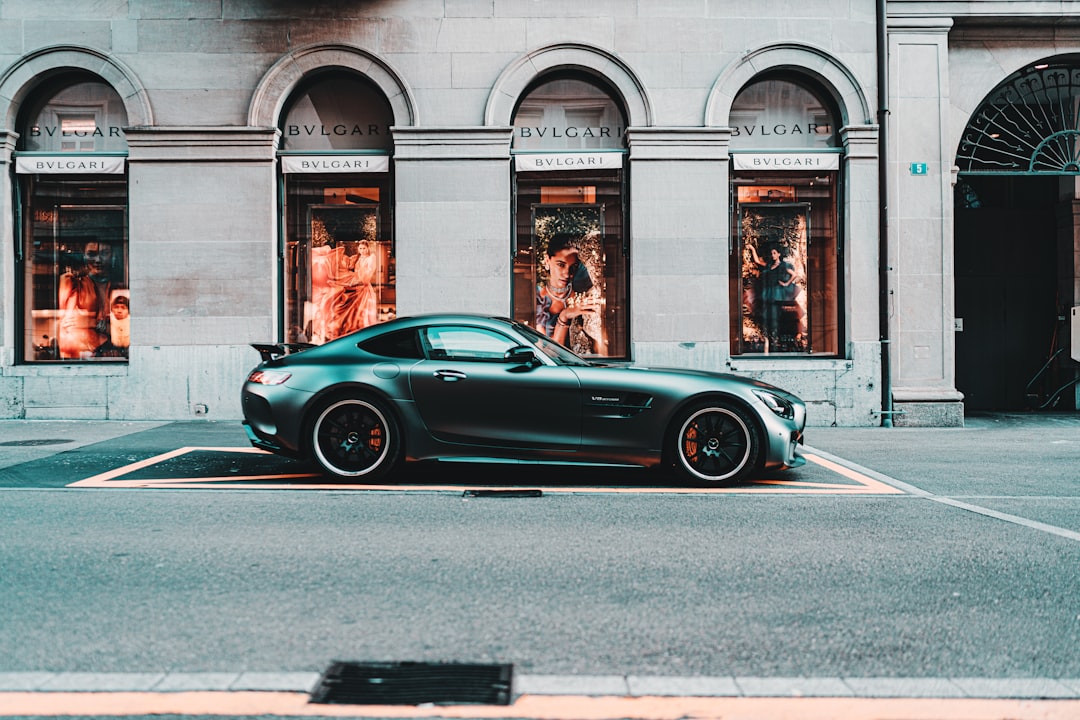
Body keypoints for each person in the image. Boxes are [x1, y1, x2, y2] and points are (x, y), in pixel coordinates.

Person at [58, 241, 117, 359]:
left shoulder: (120, 287)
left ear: (113, 257)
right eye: (91, 254)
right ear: (84, 257)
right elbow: (70, 325)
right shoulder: (74, 285)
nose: (98, 260)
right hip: (82, 354)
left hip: (114, 353)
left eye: (104, 253)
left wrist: (89, 323)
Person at [535, 233, 596, 347]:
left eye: (573, 267)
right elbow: (549, 352)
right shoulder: (538, 300)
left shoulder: (584, 297)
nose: (567, 274)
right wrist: (564, 316)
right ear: (548, 261)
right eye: (561, 265)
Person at [750, 243, 798, 350]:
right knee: (767, 313)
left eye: (775, 253)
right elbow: (757, 261)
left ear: (779, 254)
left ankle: (777, 338)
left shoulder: (783, 265)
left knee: (775, 313)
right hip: (769, 292)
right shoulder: (770, 265)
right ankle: (771, 337)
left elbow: (794, 275)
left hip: (776, 292)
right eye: (772, 253)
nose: (773, 255)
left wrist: (786, 284)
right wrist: (753, 248)